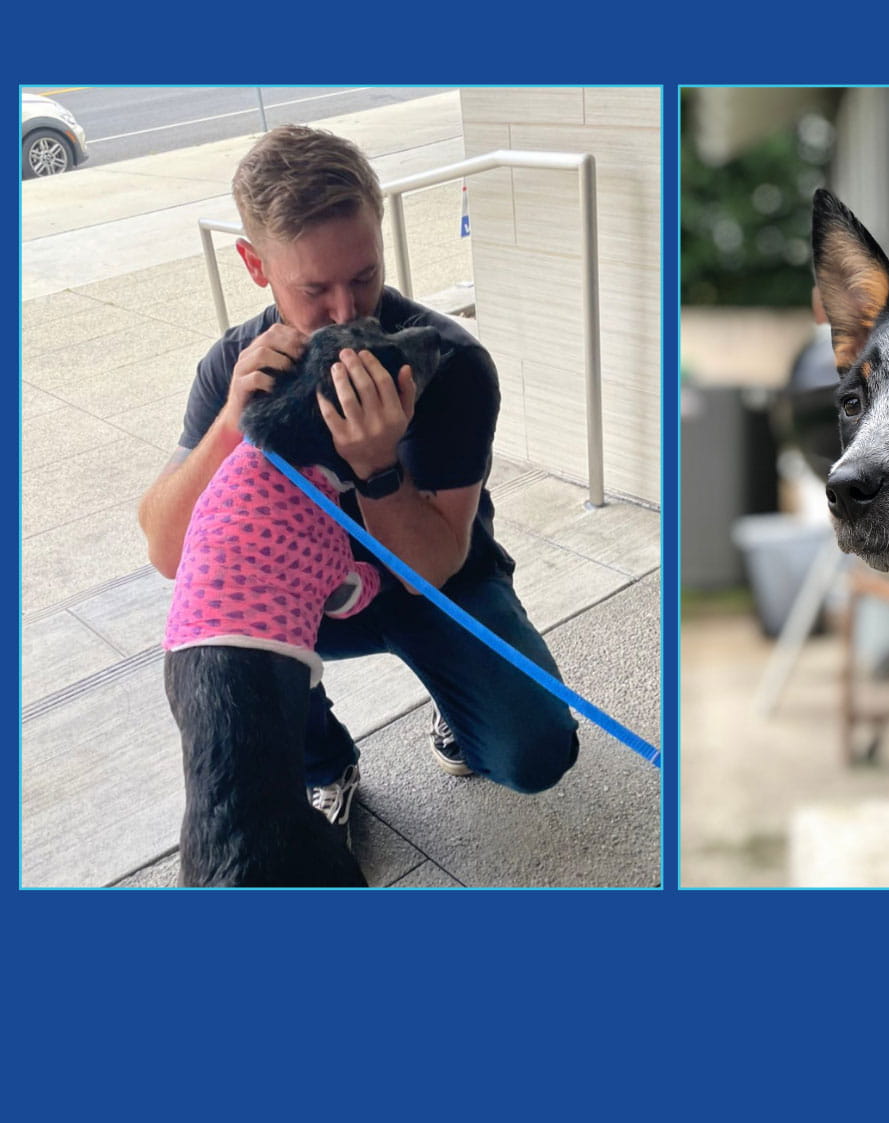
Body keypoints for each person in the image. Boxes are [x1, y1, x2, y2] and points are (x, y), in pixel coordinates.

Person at [137, 124, 579, 839]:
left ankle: (453, 698)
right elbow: (166, 552)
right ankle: (323, 763)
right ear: (256, 264)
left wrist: (377, 469)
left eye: (365, 276)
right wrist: (230, 425)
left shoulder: (447, 360)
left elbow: (435, 566)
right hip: (300, 603)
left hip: (432, 576)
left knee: (536, 752)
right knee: (217, 633)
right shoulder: (234, 365)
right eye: (315, 288)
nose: (348, 313)